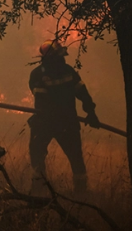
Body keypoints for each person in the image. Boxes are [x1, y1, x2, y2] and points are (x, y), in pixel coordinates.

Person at [28, 39, 100, 195]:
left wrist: (91, 112)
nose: (63, 59)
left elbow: (83, 93)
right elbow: (43, 101)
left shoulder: (68, 71)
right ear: (50, 57)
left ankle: (81, 194)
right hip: (50, 122)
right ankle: (38, 192)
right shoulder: (37, 75)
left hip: (63, 122)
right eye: (59, 56)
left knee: (76, 158)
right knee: (37, 154)